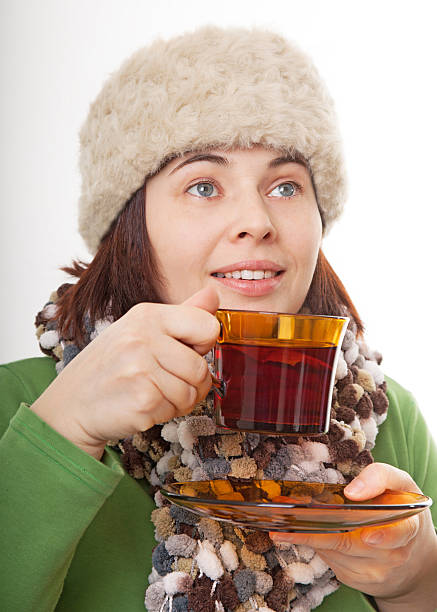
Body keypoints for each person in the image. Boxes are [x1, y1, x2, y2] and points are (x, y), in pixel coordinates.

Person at [0, 24, 436, 612]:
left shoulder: (388, 420)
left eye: (285, 186)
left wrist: (415, 582)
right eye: (204, 185)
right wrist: (65, 430)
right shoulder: (21, 408)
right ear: (130, 226)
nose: (256, 220)